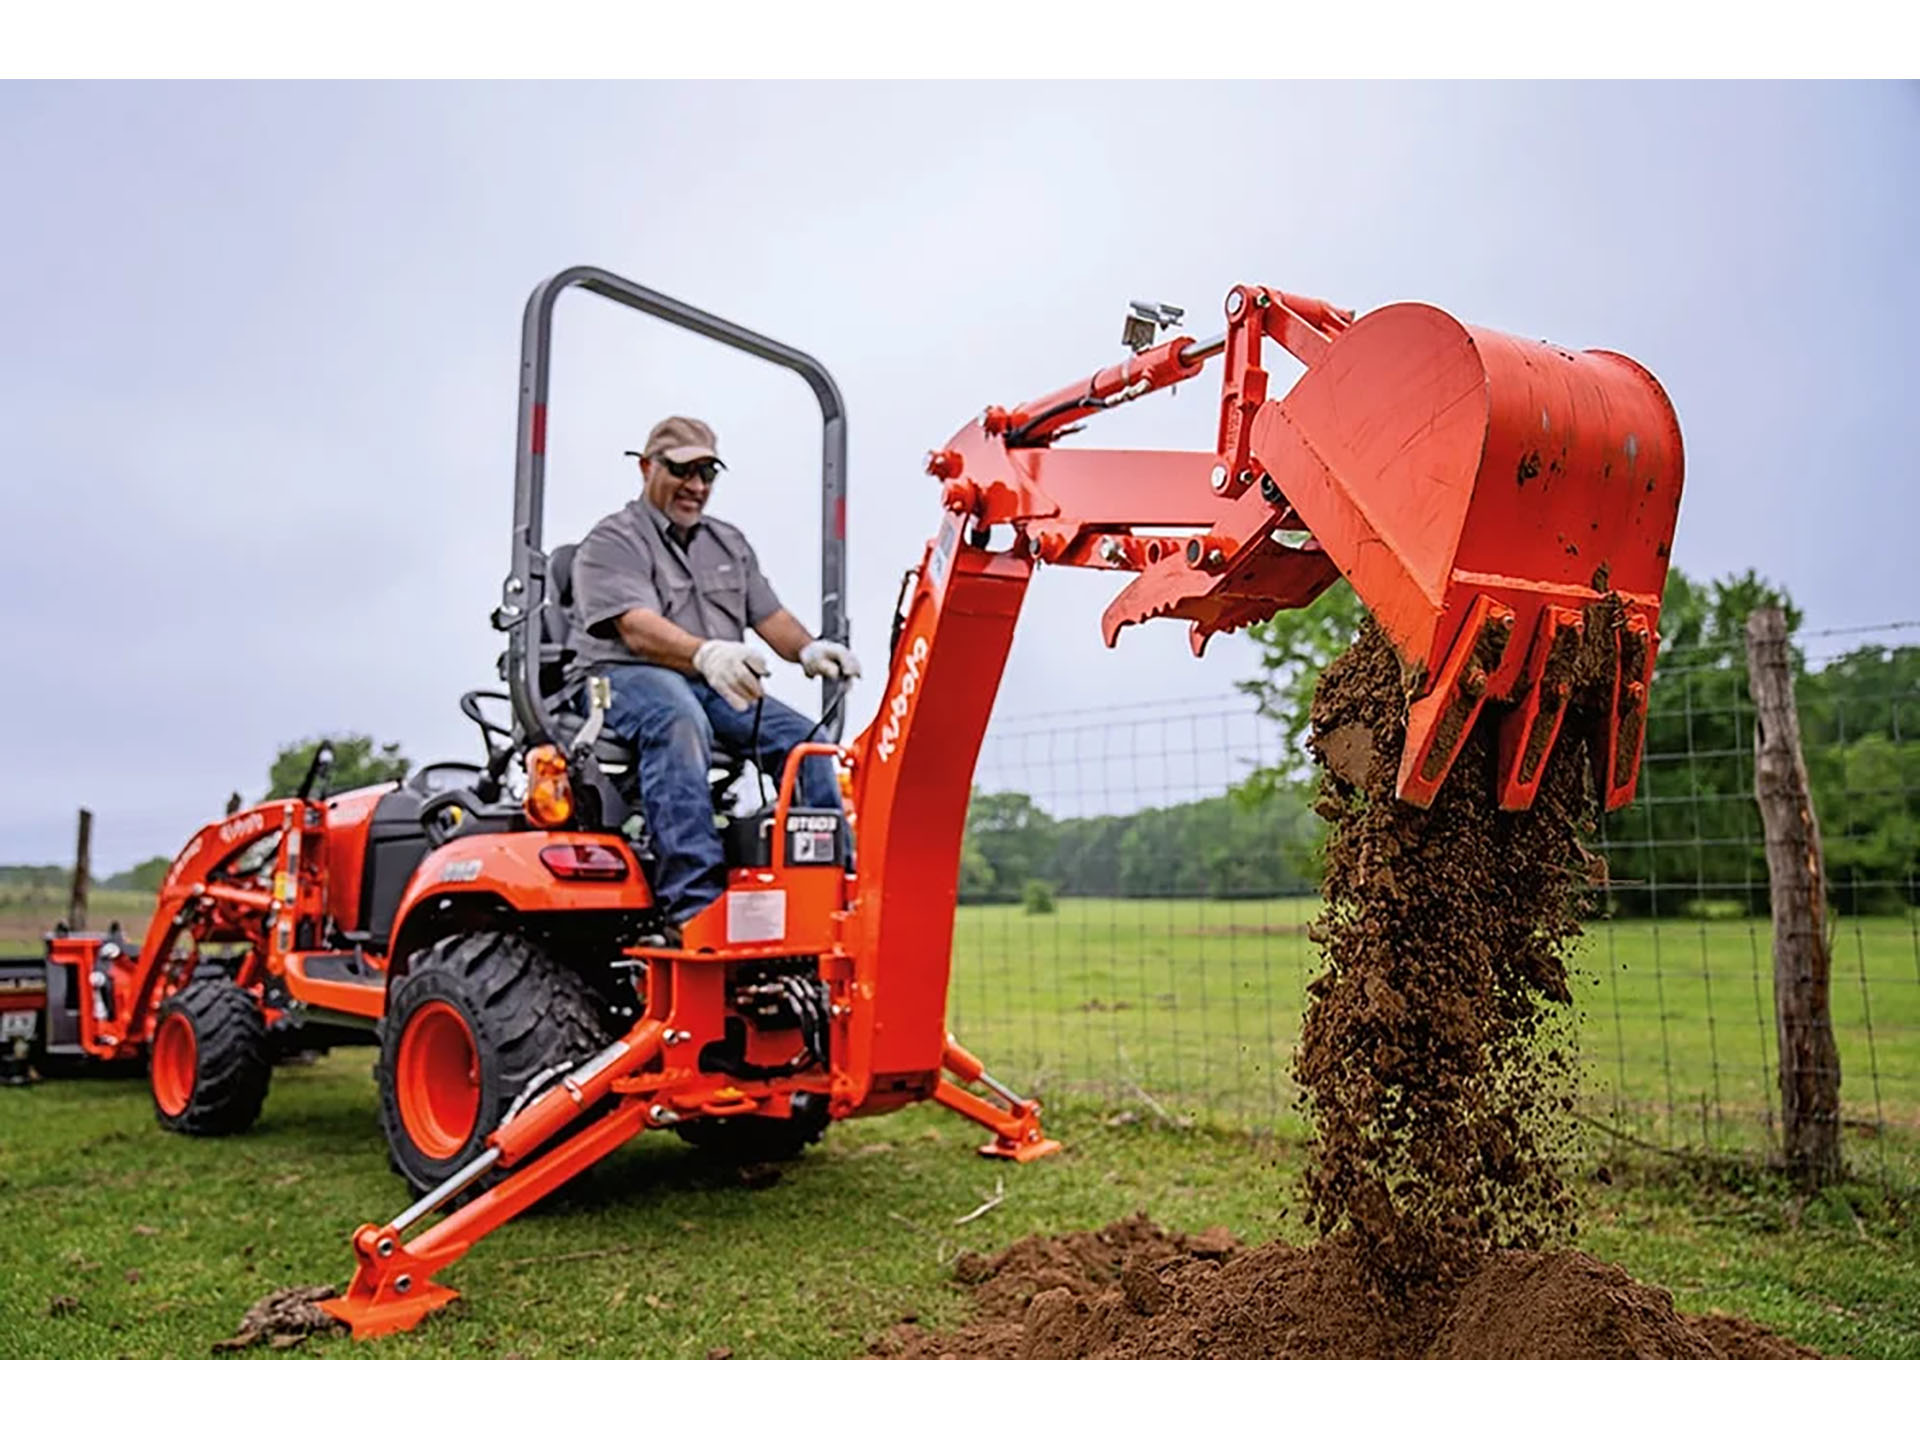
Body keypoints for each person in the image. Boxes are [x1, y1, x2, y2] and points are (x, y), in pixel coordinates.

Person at [566, 416, 861, 931]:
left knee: (804, 744)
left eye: (708, 472)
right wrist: (705, 654)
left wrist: (810, 649)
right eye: (683, 471)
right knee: (677, 718)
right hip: (619, 678)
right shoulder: (612, 540)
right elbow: (636, 629)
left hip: (709, 683)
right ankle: (694, 905)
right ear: (646, 468)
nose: (697, 486)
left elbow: (771, 619)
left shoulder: (728, 544)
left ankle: (832, 893)